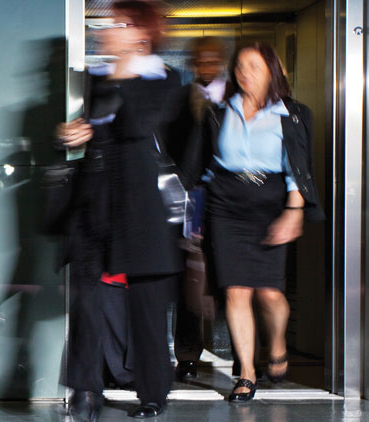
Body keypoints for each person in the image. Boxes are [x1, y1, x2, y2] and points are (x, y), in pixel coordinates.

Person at [55, 1, 193, 419]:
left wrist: (122, 74)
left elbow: (137, 125)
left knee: (147, 304)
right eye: (108, 23)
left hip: (142, 204)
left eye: (118, 23)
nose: (106, 30)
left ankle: (153, 392)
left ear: (141, 33)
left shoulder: (163, 78)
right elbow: (94, 132)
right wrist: (73, 133)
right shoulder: (96, 78)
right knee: (87, 299)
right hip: (95, 200)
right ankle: (85, 389)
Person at [192, 41, 323, 403]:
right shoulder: (219, 112)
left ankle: (278, 342)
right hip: (225, 207)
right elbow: (204, 166)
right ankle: (247, 373)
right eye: (240, 67)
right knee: (236, 290)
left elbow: (299, 169)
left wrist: (294, 211)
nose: (244, 73)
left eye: (254, 67)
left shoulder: (293, 114)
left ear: (272, 72)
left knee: (269, 293)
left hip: (270, 207)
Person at [174, 35, 227, 382]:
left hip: (226, 197)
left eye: (211, 59)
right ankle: (188, 355)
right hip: (190, 198)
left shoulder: (236, 98)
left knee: (228, 277)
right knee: (189, 277)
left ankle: (240, 354)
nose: (205, 66)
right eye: (200, 60)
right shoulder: (181, 99)